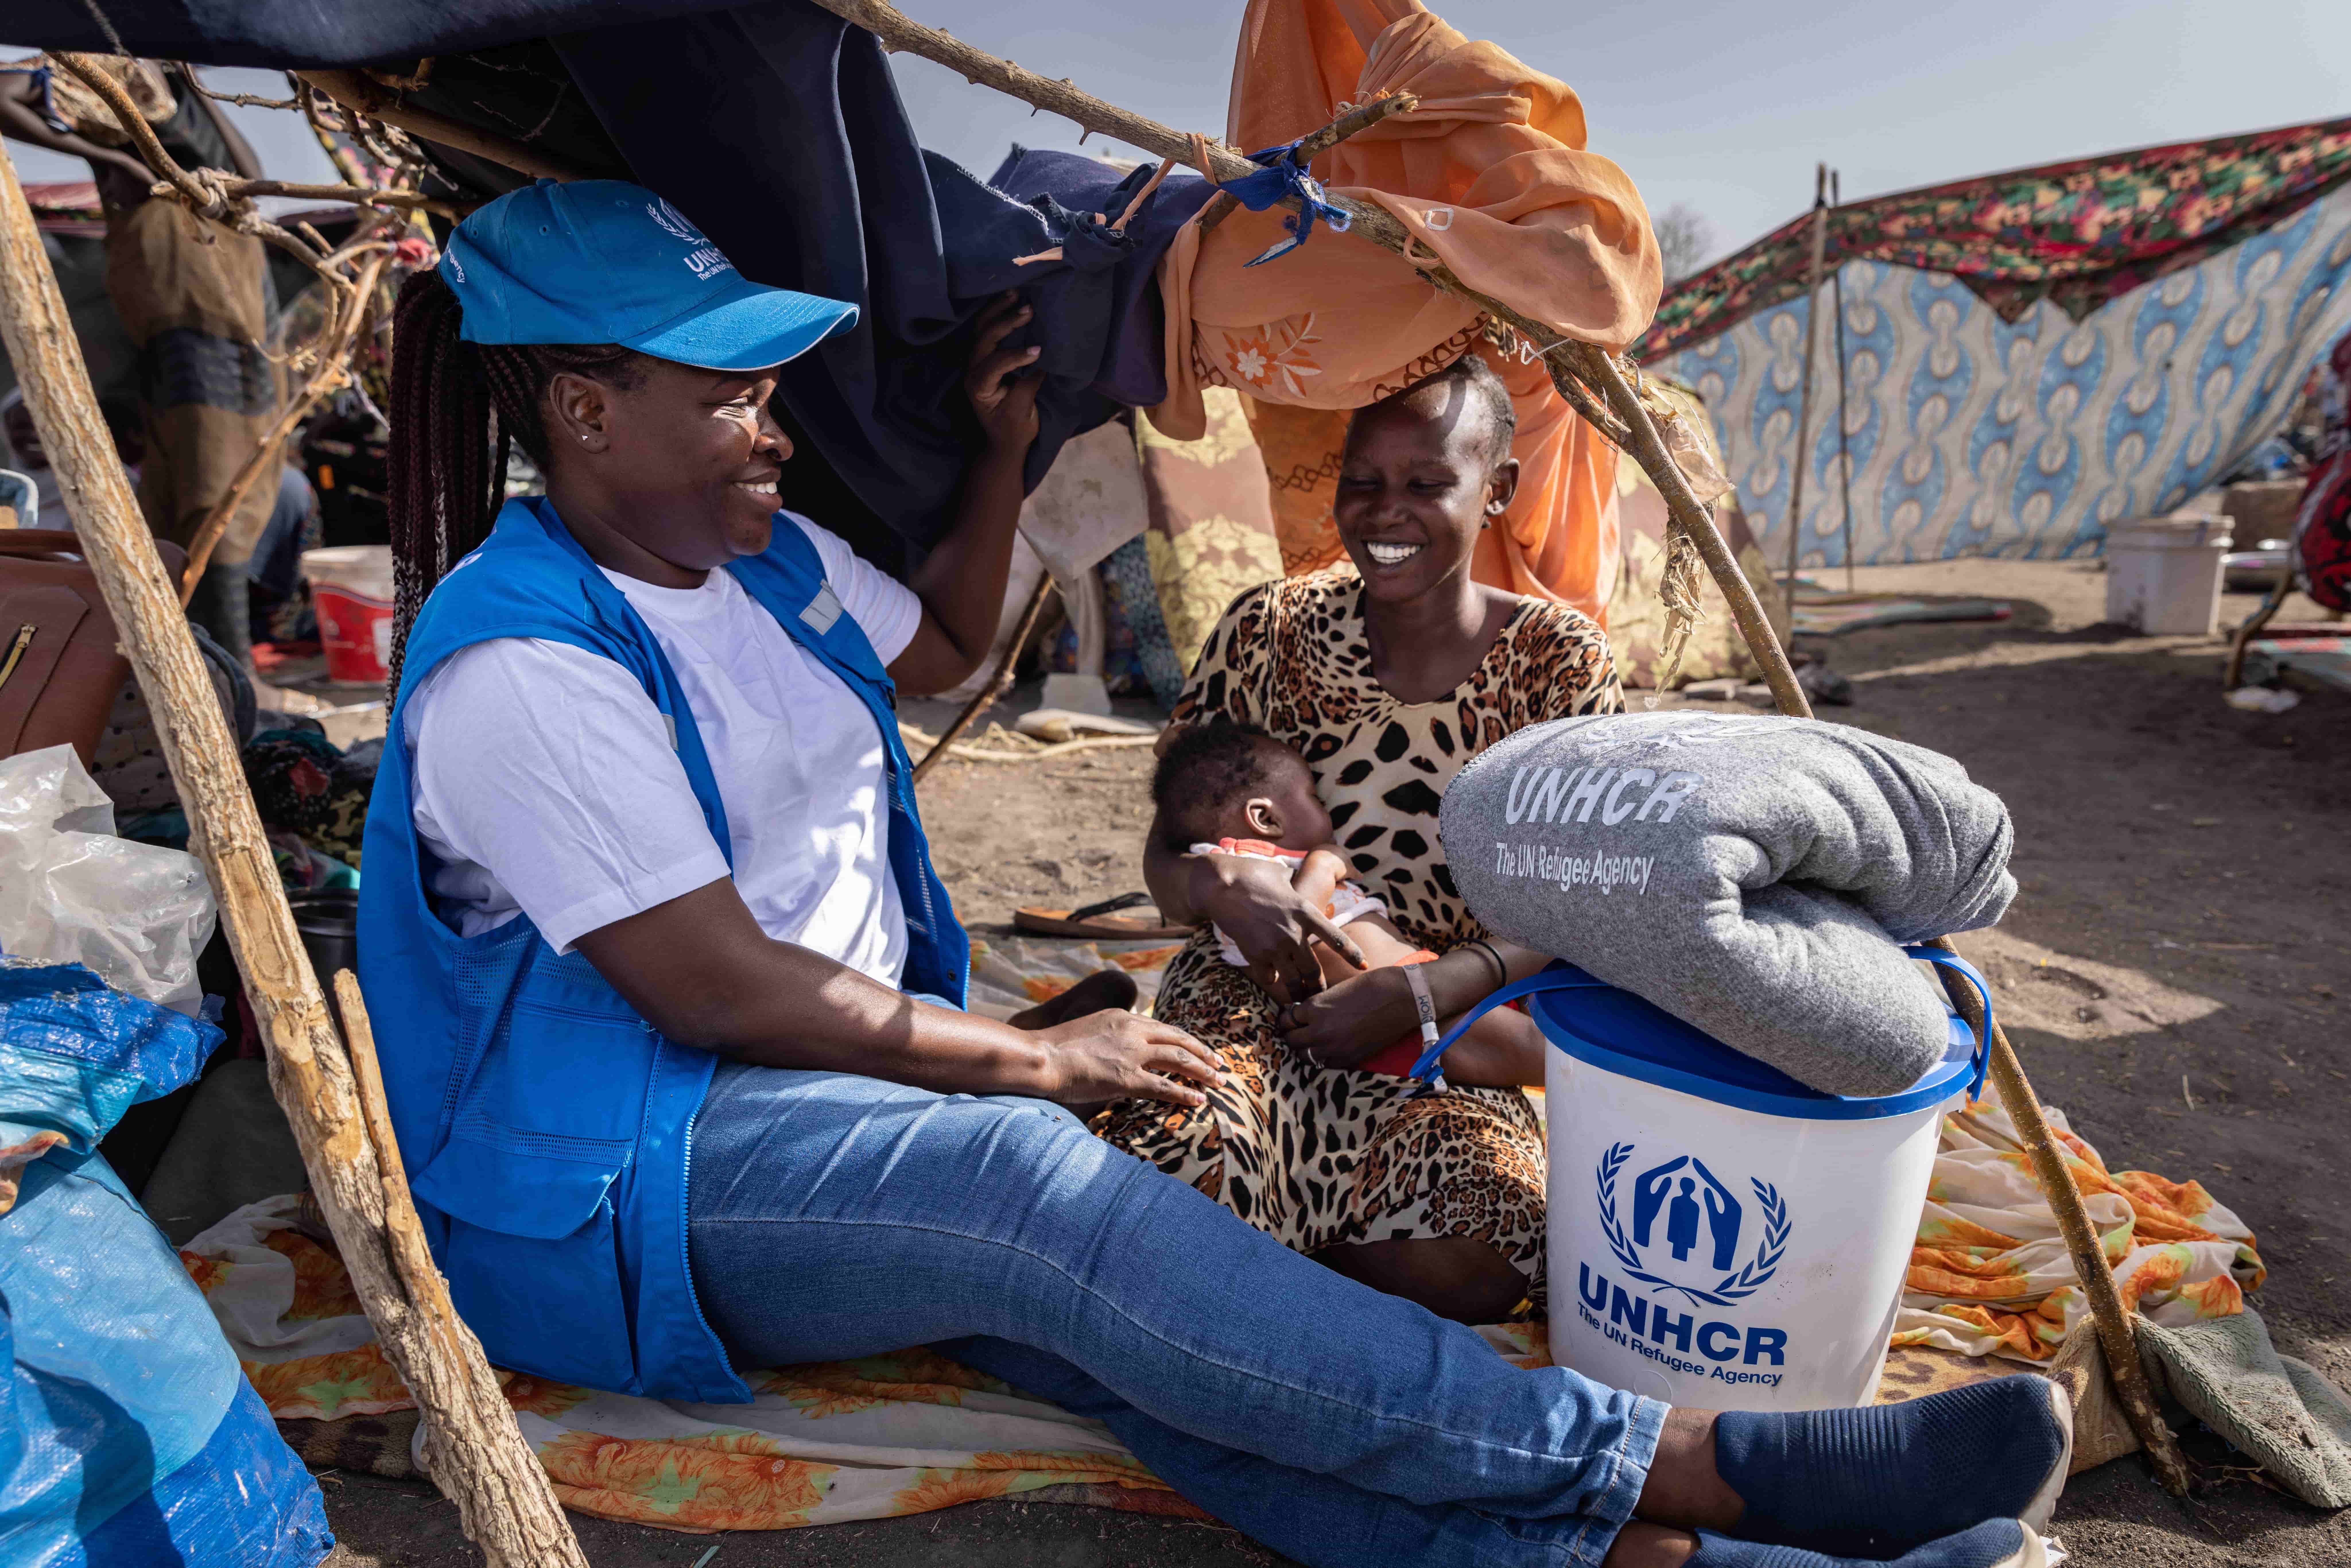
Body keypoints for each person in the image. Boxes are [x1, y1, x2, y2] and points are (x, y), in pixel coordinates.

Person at [358, 180, 2071, 1568]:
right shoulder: (525, 671)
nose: (773, 423)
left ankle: (1674, 1560)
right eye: (725, 389)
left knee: (1134, 1344)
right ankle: (1694, 1465)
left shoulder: (761, 561)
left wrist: (1002, 442)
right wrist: (1036, 1051)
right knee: (1035, 1186)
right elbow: (716, 989)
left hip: (823, 1081)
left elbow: (949, 643)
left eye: (765, 382)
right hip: (631, 1170)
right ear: (586, 409)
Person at [1111, 353, 1613, 1324]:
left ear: (1498, 489)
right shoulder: (1267, 629)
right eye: (1362, 483)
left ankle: (1240, 1283)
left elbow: (1591, 902)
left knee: (1484, 1251)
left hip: (1447, 1033)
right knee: (1181, 1163)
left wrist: (1424, 990)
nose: (1386, 513)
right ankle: (1250, 1271)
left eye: (1428, 483)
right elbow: (1164, 855)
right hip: (1255, 1003)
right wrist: (1219, 891)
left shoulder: (1559, 666)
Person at [1150, 719, 1543, 1084]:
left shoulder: (1258, 863)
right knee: (1536, 1052)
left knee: (1547, 1032)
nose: (1327, 812)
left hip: (1413, 992)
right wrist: (1322, 867)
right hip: (1380, 1017)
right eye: (1314, 798)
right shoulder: (1243, 868)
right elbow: (1293, 929)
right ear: (1266, 820)